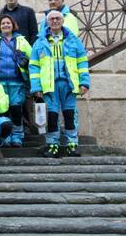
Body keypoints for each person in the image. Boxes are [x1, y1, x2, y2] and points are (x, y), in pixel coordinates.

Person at [30, 10, 90, 158]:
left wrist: (84, 82)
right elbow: (34, 67)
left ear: (62, 21)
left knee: (70, 114)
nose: (55, 21)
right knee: (52, 116)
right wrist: (36, 87)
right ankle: (52, 145)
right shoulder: (39, 42)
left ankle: (72, 144)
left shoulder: (73, 40)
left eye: (57, 18)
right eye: (52, 19)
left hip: (69, 84)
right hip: (49, 86)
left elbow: (82, 63)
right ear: (47, 22)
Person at [0, 14, 32, 147]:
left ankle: (17, 136)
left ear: (13, 25)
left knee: (16, 109)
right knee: (2, 110)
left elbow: (32, 58)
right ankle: (5, 136)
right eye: (3, 23)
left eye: (8, 23)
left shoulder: (21, 41)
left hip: (17, 82)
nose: (5, 25)